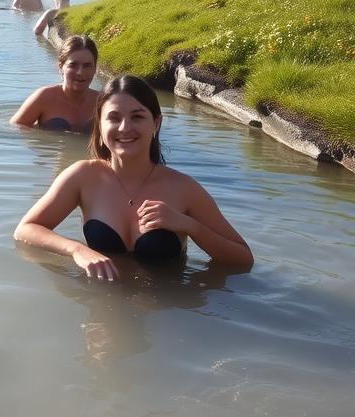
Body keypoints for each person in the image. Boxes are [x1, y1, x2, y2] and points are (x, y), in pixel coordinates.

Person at [14, 75, 253, 280]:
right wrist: (76, 250)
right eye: (114, 118)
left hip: (169, 312)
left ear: (156, 123)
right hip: (102, 307)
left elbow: (243, 259)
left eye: (137, 117)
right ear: (100, 124)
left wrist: (189, 225)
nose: (124, 127)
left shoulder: (183, 188)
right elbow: (25, 230)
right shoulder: (83, 176)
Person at [10, 35, 100, 133]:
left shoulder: (102, 102)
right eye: (73, 65)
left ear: (95, 69)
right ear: (60, 66)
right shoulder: (44, 97)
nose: (80, 72)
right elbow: (14, 129)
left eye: (87, 66)